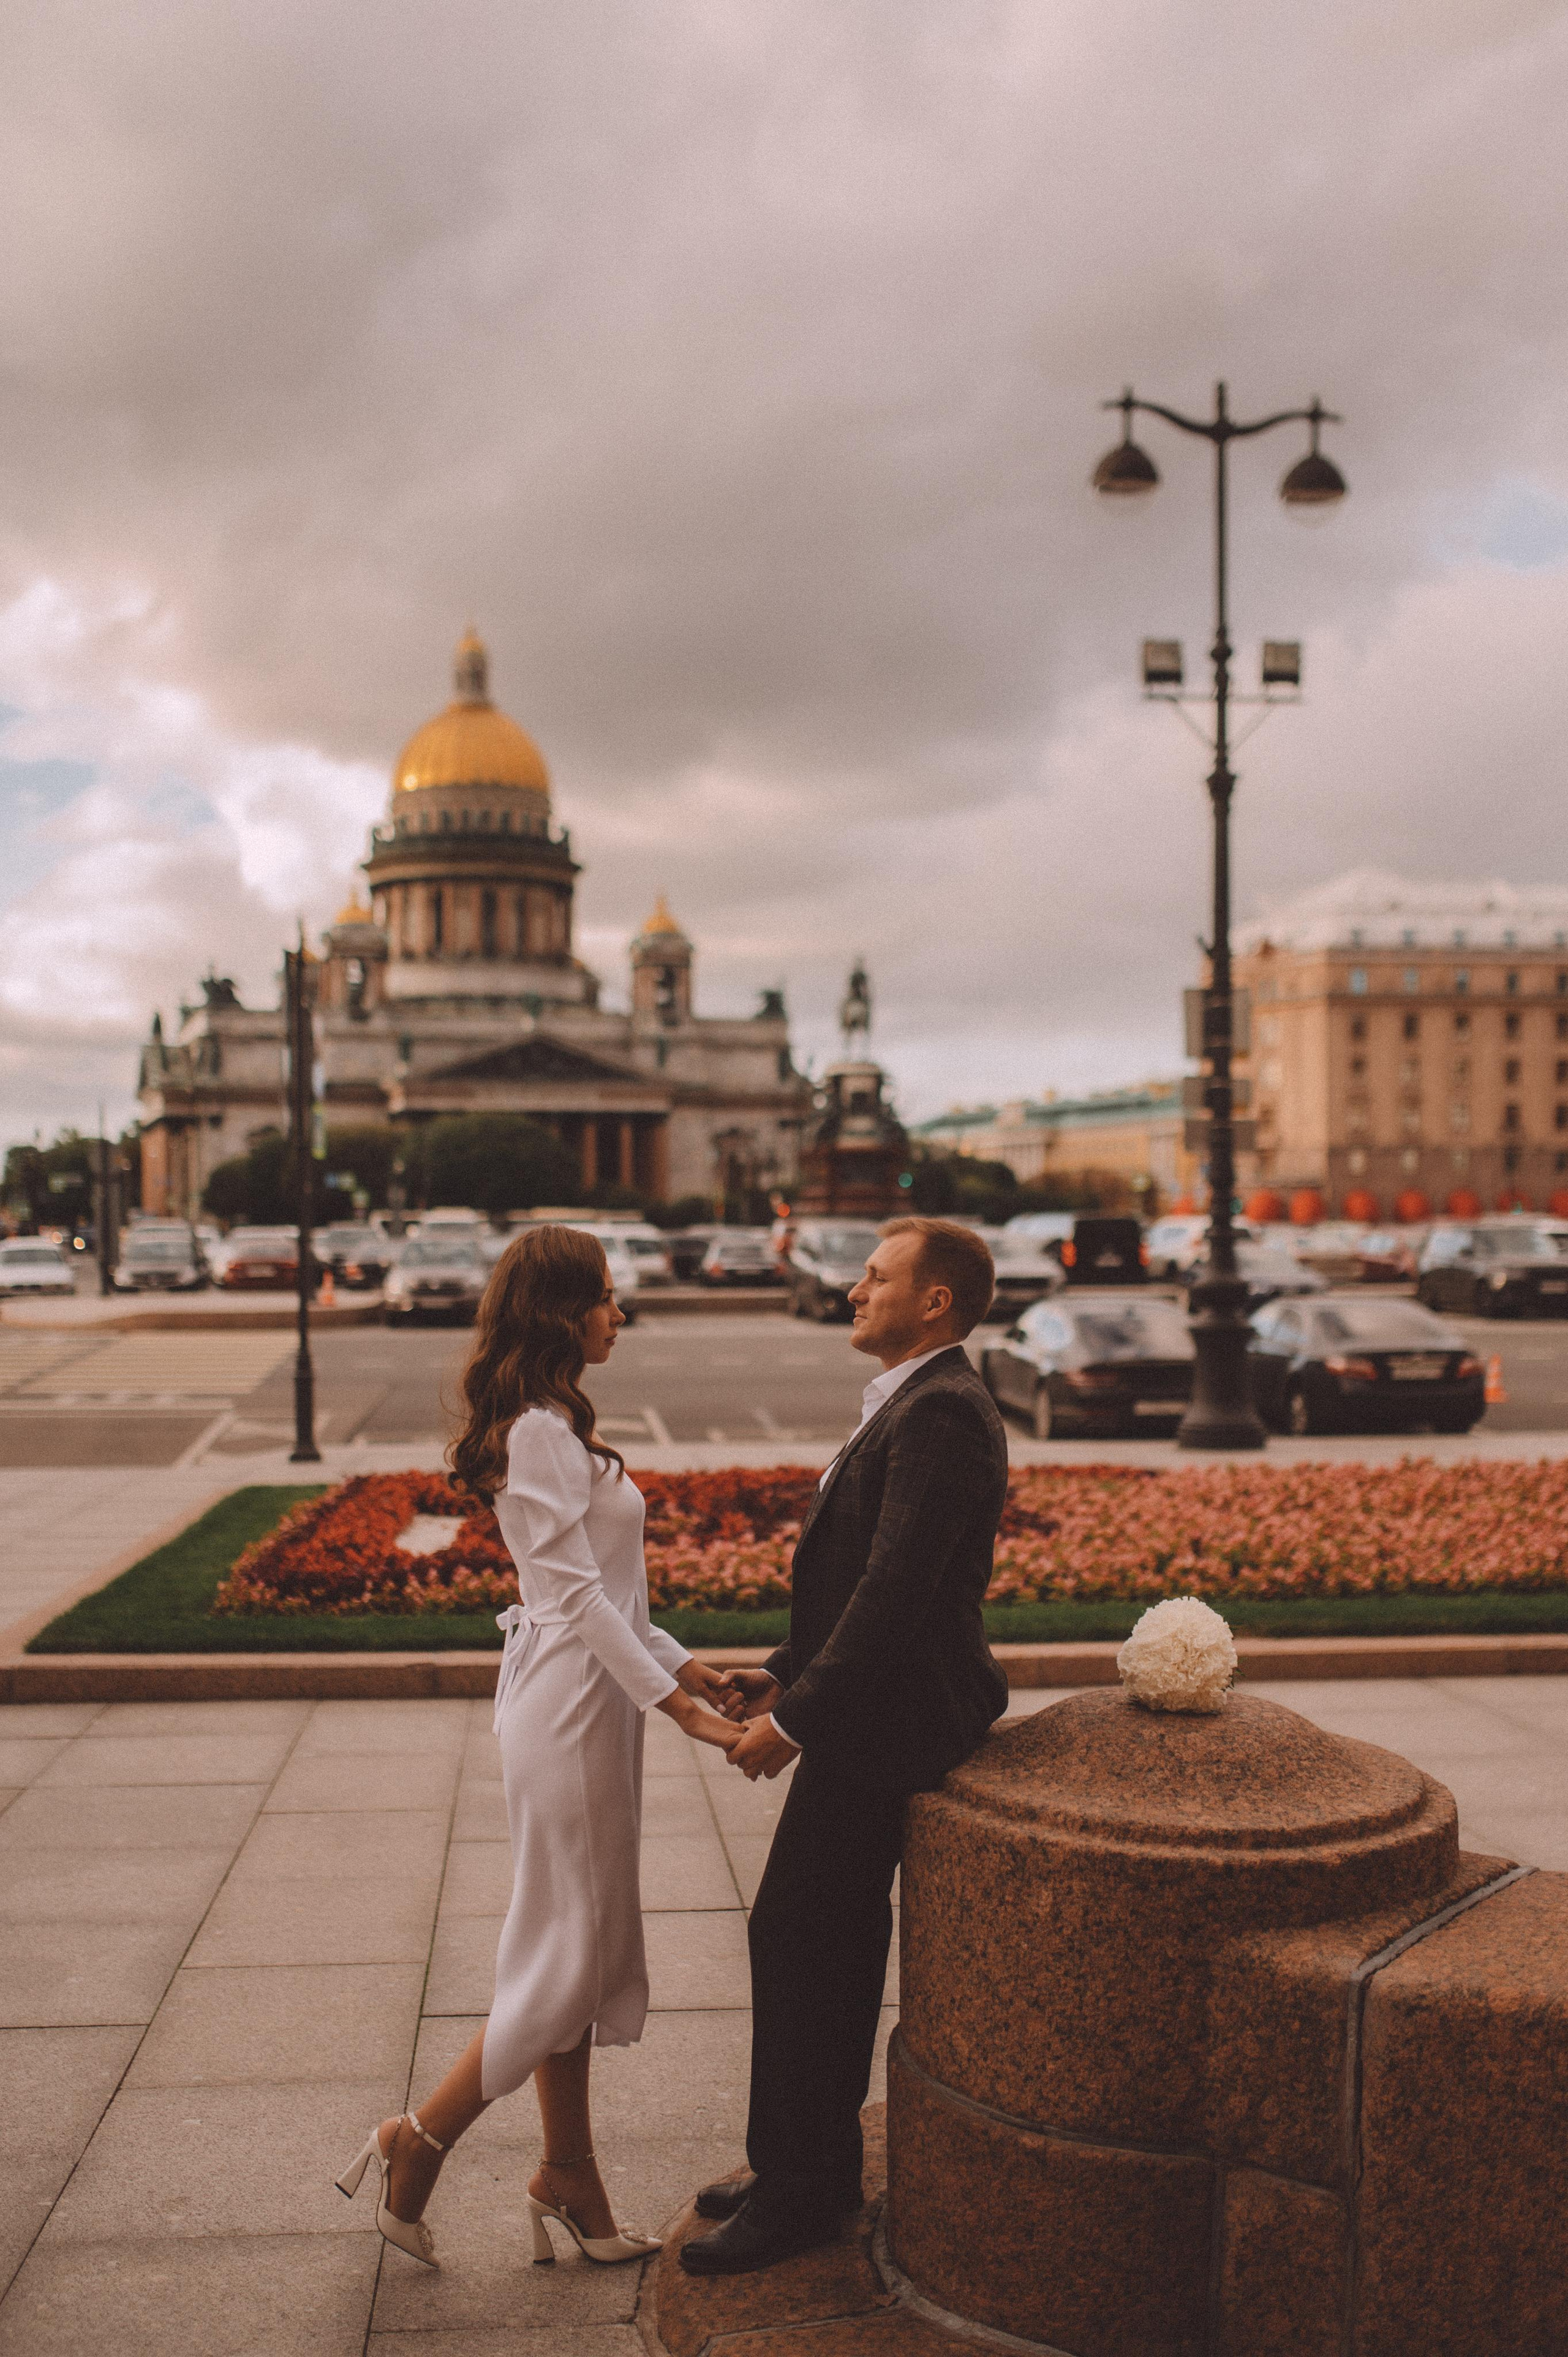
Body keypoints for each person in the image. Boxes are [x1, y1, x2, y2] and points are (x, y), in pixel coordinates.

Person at [335, 1225, 742, 2269]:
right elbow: (569, 1601)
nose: (620, 1315)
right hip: (572, 1707)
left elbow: (607, 1597)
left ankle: (570, 2177)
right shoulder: (538, 1433)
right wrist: (677, 1707)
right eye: (605, 1298)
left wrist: (687, 1668)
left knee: (583, 1941)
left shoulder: (555, 1422)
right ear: (560, 1311)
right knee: (569, 1953)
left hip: (587, 1695)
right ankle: (414, 2142)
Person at [680, 1215, 1009, 2276]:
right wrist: (786, 1668)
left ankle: (807, 2189)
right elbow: (862, 1585)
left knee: (803, 1938)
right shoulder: (915, 1401)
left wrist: (794, 1720)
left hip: (900, 1718)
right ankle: (799, 2164)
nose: (855, 1290)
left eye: (878, 1278)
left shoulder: (944, 1411)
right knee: (807, 1940)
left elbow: (900, 1592)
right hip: (874, 1704)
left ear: (935, 1303)